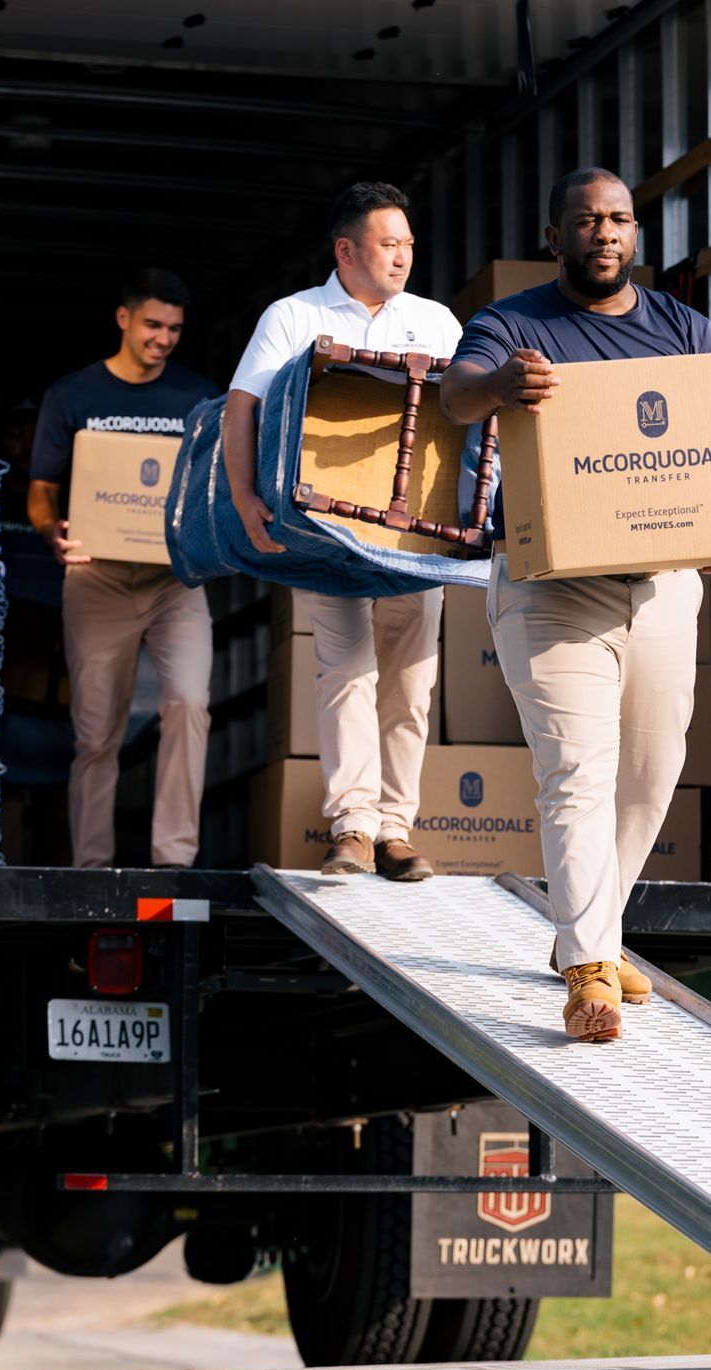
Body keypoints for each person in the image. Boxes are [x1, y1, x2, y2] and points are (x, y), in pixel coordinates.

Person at [440, 167, 711, 1042]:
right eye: (586, 220)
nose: (604, 233)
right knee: (577, 769)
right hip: (550, 591)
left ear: (635, 234)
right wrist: (502, 385)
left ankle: (594, 929)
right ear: (557, 237)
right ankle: (587, 973)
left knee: (652, 774)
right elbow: (451, 395)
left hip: (659, 587)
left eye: (618, 219)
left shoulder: (684, 330)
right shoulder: (515, 328)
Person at [223, 182, 463, 882]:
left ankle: (396, 830)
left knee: (413, 685)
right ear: (346, 250)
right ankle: (353, 828)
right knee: (346, 670)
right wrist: (243, 500)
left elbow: (471, 419)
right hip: (324, 533)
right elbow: (243, 408)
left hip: (416, 537)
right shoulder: (294, 316)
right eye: (389, 245)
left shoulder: (436, 321)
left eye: (409, 246)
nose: (402, 259)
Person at [28, 268, 219, 869]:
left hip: (174, 580)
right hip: (98, 577)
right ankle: (91, 866)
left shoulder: (198, 398)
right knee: (95, 735)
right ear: (124, 319)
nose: (163, 339)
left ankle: (174, 859)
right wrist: (49, 529)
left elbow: (218, 484)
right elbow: (41, 488)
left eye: (175, 330)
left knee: (189, 702)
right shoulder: (74, 395)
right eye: (153, 325)